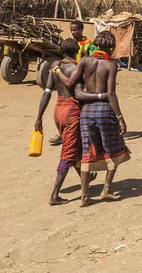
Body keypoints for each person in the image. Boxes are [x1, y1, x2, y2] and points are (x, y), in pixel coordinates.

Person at [52, 31, 130, 207]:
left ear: (96, 44)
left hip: (86, 111)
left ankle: (84, 196)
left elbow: (71, 84)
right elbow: (111, 94)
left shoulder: (85, 61)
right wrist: (120, 117)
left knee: (86, 153)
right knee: (115, 148)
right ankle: (106, 189)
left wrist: (56, 70)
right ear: (110, 46)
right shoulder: (111, 65)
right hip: (104, 110)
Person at [34, 39, 102, 205]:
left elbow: (47, 93)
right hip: (72, 110)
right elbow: (78, 92)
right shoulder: (76, 68)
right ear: (77, 50)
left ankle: (84, 178)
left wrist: (39, 117)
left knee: (73, 145)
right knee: (69, 151)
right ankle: (54, 195)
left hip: (58, 110)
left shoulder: (54, 69)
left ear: (61, 51)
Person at [49, 20, 98, 147]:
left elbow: (94, 61)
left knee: (82, 105)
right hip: (70, 75)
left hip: (83, 79)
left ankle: (84, 133)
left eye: (75, 30)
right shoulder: (70, 43)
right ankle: (64, 134)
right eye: (71, 30)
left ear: (82, 30)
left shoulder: (89, 45)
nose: (73, 32)